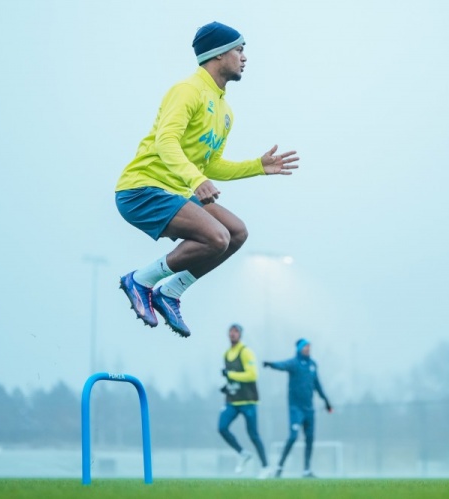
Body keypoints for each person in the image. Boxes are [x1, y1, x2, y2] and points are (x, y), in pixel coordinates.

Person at [115, 21, 299, 337]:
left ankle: (170, 292)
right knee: (217, 237)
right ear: (218, 54)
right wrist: (196, 180)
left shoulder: (226, 111)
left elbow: (211, 164)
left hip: (175, 191)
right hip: (142, 189)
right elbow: (165, 141)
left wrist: (257, 166)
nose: (244, 57)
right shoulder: (187, 90)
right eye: (239, 50)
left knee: (236, 232)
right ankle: (141, 280)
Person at [264, 338, 332, 478]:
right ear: (299, 348)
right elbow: (282, 365)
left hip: (309, 409)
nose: (308, 349)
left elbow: (317, 385)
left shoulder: (313, 365)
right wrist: (271, 365)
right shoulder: (294, 363)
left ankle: (307, 469)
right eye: (305, 346)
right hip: (296, 408)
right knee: (293, 437)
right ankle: (279, 466)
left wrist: (326, 402)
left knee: (310, 438)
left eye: (309, 346)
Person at [218, 324, 272, 478]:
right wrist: (226, 386)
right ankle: (242, 453)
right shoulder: (226, 354)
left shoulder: (246, 352)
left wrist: (230, 375)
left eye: (236, 331)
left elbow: (252, 375)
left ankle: (266, 467)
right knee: (222, 427)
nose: (233, 334)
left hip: (248, 401)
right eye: (231, 331)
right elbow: (231, 377)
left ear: (240, 334)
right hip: (232, 400)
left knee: (253, 434)